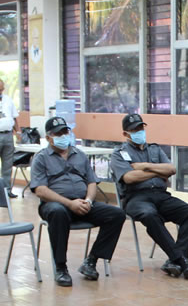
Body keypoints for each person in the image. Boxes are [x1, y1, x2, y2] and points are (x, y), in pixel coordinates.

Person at [31, 117, 125, 286]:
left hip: (82, 203)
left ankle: (91, 261)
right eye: (57, 133)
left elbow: (91, 182)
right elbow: (40, 190)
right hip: (56, 204)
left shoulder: (79, 155)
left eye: (65, 132)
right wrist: (69, 203)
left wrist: (88, 200)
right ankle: (61, 268)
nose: (63, 136)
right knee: (57, 212)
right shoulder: (41, 158)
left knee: (116, 214)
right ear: (48, 138)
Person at [111, 113, 188, 279]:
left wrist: (143, 167)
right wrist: (157, 172)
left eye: (141, 128)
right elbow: (129, 178)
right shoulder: (118, 153)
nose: (139, 131)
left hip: (161, 195)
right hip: (136, 198)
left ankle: (174, 261)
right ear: (125, 134)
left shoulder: (155, 149)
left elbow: (171, 170)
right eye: (134, 129)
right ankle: (180, 260)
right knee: (149, 215)